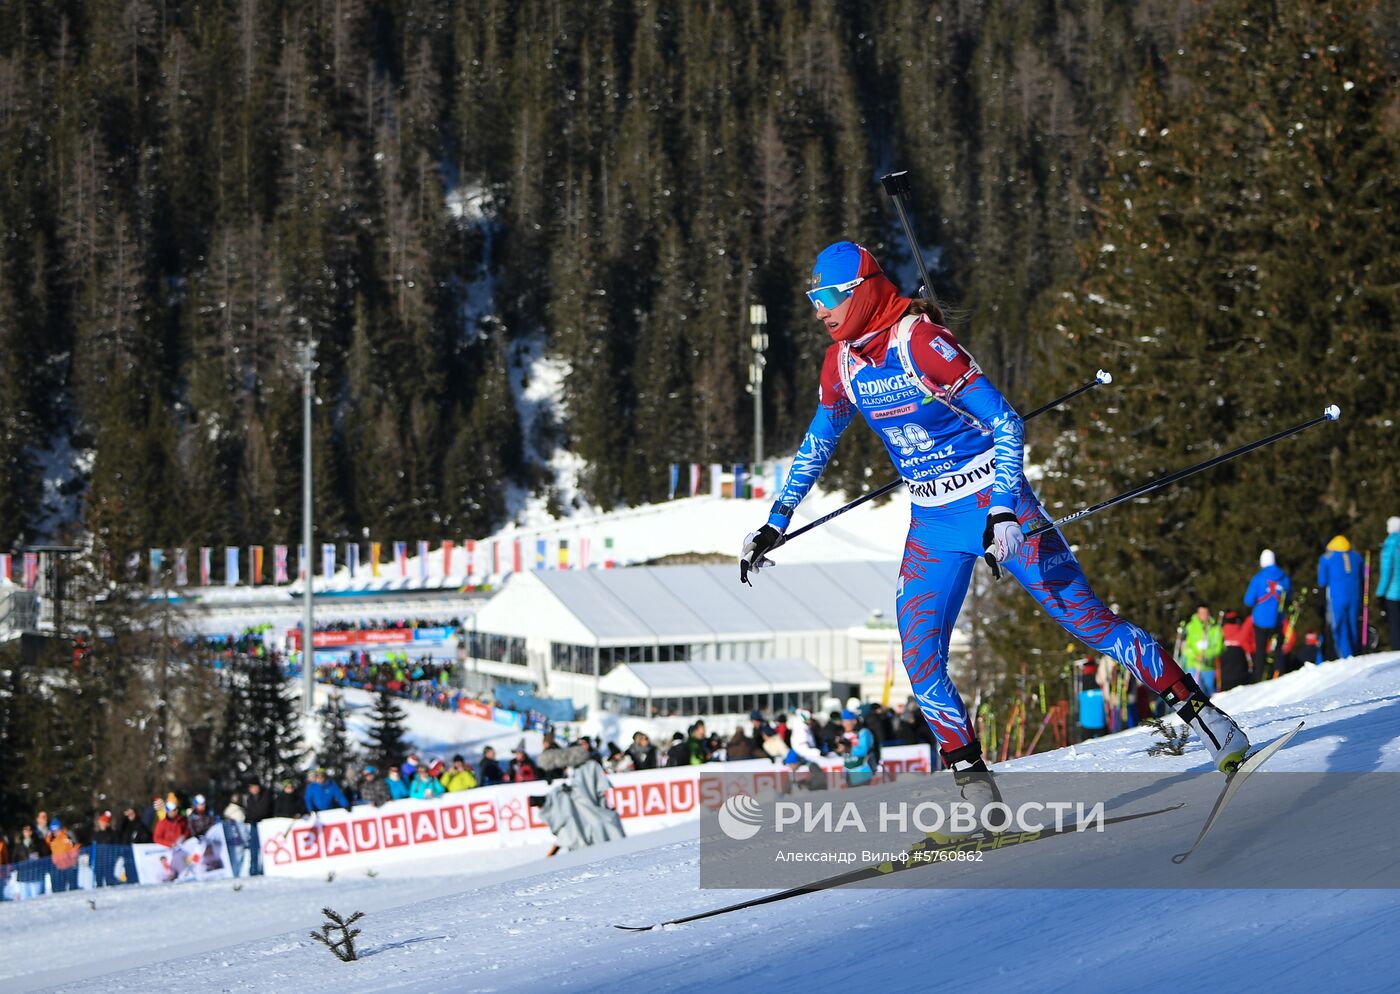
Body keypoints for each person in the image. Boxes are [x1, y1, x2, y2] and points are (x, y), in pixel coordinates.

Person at [741, 241, 1251, 792]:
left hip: (994, 502)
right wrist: (777, 519)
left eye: (829, 296)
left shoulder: (922, 343)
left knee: (1089, 623)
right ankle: (975, 788)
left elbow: (1007, 422)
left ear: (862, 291)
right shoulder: (841, 361)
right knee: (919, 656)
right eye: (813, 297)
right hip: (932, 523)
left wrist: (1006, 510)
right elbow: (820, 439)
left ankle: (1206, 718)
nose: (819, 309)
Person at [1244, 549, 1292, 680]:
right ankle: (1279, 673)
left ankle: (1259, 677)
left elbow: (1248, 600)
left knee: (1260, 650)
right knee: (1277, 648)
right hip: (1278, 618)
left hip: (1260, 619)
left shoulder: (1258, 578)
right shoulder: (1284, 577)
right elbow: (1288, 596)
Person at [1318, 535, 1364, 660]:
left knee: (1339, 626)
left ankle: (1345, 655)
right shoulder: (1357, 557)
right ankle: (1354, 652)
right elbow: (1362, 576)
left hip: (1337, 597)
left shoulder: (1327, 558)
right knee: (1353, 625)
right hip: (1355, 596)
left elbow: (1322, 581)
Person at [1180, 605, 1224, 694]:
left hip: (1209, 667)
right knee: (1196, 692)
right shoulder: (1190, 627)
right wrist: (1195, 656)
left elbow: (1219, 648)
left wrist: (1206, 655)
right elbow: (1185, 647)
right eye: (1201, 613)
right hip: (1193, 666)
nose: (1204, 615)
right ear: (1197, 614)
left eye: (1206, 613)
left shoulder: (1215, 628)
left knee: (1209, 693)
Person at [1378, 517, 1400, 652]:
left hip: (1393, 592)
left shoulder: (1390, 543)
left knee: (1395, 625)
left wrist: (1380, 593)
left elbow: (1387, 570)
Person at [840, 709, 878, 786]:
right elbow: (844, 754)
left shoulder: (863, 732)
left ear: (854, 721)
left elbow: (863, 751)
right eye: (843, 722)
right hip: (849, 775)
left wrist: (848, 748)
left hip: (863, 773)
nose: (844, 724)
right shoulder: (844, 735)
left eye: (846, 721)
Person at [241, 782, 272, 876]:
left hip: (264, 824)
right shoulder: (250, 798)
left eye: (255, 787)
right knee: (253, 848)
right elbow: (249, 811)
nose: (253, 789)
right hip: (254, 825)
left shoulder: (265, 796)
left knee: (266, 847)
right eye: (251, 787)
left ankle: (265, 868)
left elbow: (264, 810)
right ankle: (253, 869)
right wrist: (248, 818)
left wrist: (256, 817)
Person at [1219, 610, 1255, 690]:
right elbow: (1251, 650)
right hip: (1241, 676)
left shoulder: (1220, 633)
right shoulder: (1243, 633)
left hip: (1224, 677)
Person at [12, 823, 48, 899]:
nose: (27, 832)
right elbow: (13, 860)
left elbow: (45, 856)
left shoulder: (38, 843)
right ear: (22, 832)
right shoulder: (18, 846)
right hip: (23, 877)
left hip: (36, 875)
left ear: (32, 832)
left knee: (37, 899)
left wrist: (38, 859)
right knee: (25, 901)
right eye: (25, 830)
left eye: (29, 830)